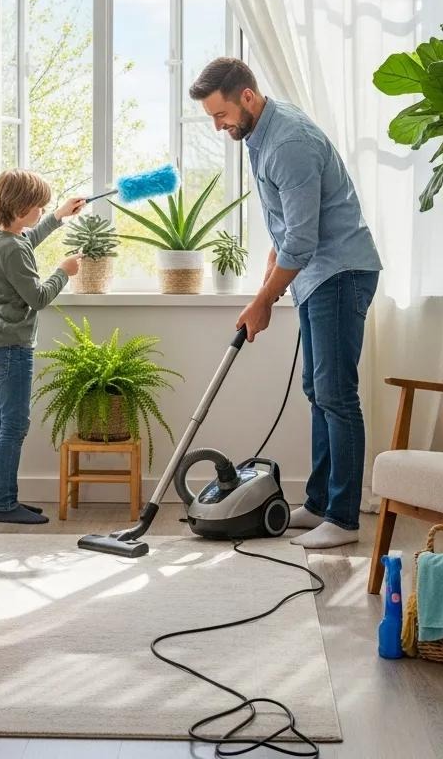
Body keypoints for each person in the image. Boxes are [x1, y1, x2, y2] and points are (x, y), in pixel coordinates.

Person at [189, 57, 381, 549]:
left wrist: (263, 301)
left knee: (336, 395)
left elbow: (302, 238)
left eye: (220, 114)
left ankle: (343, 517)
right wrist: (269, 289)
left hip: (339, 274)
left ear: (247, 96)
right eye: (211, 118)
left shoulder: (289, 143)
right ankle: (319, 505)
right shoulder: (258, 136)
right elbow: (282, 226)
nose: (218, 126)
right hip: (317, 277)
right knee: (318, 392)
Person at [0, 170, 85, 525]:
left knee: (2, 423)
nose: (42, 211)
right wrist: (64, 271)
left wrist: (58, 217)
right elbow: (38, 297)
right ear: (22, 207)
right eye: (39, 207)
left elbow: (25, 243)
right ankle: (6, 504)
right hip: (12, 346)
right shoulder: (11, 248)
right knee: (14, 425)